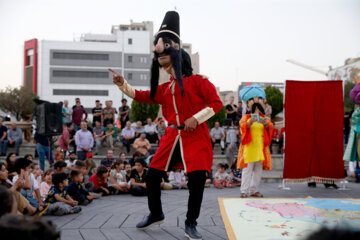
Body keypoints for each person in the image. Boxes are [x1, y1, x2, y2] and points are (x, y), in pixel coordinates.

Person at [109, 11, 223, 239]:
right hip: (172, 137)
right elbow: (141, 95)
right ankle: (156, 213)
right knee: (151, 177)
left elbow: (216, 103)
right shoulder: (164, 88)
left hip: (196, 137)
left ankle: (191, 223)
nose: (159, 52)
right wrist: (123, 84)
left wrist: (195, 118)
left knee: (197, 181)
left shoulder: (199, 82)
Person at [237, 85, 273, 198]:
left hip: (260, 148)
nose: (255, 105)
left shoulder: (265, 118)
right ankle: (244, 191)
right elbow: (242, 128)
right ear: (248, 105)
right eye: (252, 102)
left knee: (258, 171)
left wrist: (266, 124)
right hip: (249, 148)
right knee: (247, 170)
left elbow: (270, 128)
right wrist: (249, 123)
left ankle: (254, 190)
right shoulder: (246, 117)